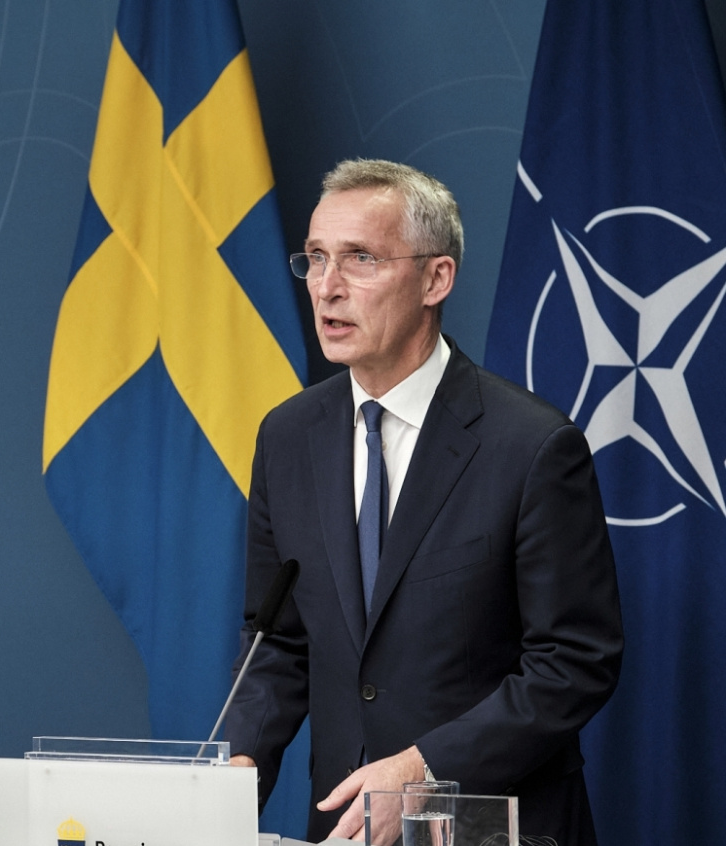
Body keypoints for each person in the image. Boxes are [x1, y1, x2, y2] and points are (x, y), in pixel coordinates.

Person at [223, 160, 623, 845]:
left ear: (436, 279)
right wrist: (237, 773)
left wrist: (421, 771)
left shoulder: (531, 445)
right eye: (316, 257)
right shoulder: (287, 437)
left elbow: (574, 662)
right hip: (345, 825)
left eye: (360, 259)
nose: (327, 286)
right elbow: (278, 641)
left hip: (492, 826)